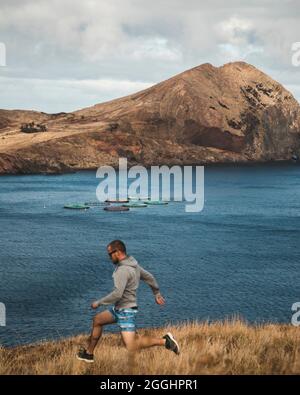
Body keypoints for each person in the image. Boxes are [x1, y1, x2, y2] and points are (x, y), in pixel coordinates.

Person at [77, 239, 180, 363]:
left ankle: (165, 341)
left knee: (131, 346)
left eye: (110, 254)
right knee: (97, 320)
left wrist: (98, 302)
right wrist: (156, 293)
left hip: (126, 312)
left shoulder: (123, 270)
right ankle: (89, 354)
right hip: (118, 309)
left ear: (118, 252)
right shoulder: (134, 265)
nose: (109, 257)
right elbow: (149, 277)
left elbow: (117, 294)